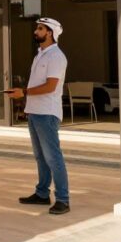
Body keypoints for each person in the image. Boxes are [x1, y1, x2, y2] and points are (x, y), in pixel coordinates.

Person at [7, 17, 70, 215]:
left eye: (40, 28)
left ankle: (63, 199)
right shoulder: (40, 55)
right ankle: (42, 193)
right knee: (40, 156)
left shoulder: (56, 57)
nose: (36, 31)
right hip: (34, 112)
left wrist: (23, 92)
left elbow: (51, 86)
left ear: (49, 33)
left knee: (53, 157)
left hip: (47, 113)